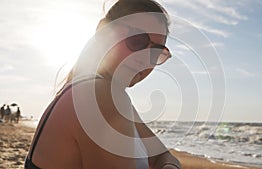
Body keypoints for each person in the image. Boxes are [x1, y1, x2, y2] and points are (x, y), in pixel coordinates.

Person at [25, 0, 181, 169]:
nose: (144, 59)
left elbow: (162, 155)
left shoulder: (104, 94)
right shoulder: (99, 95)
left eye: (155, 52)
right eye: (137, 41)